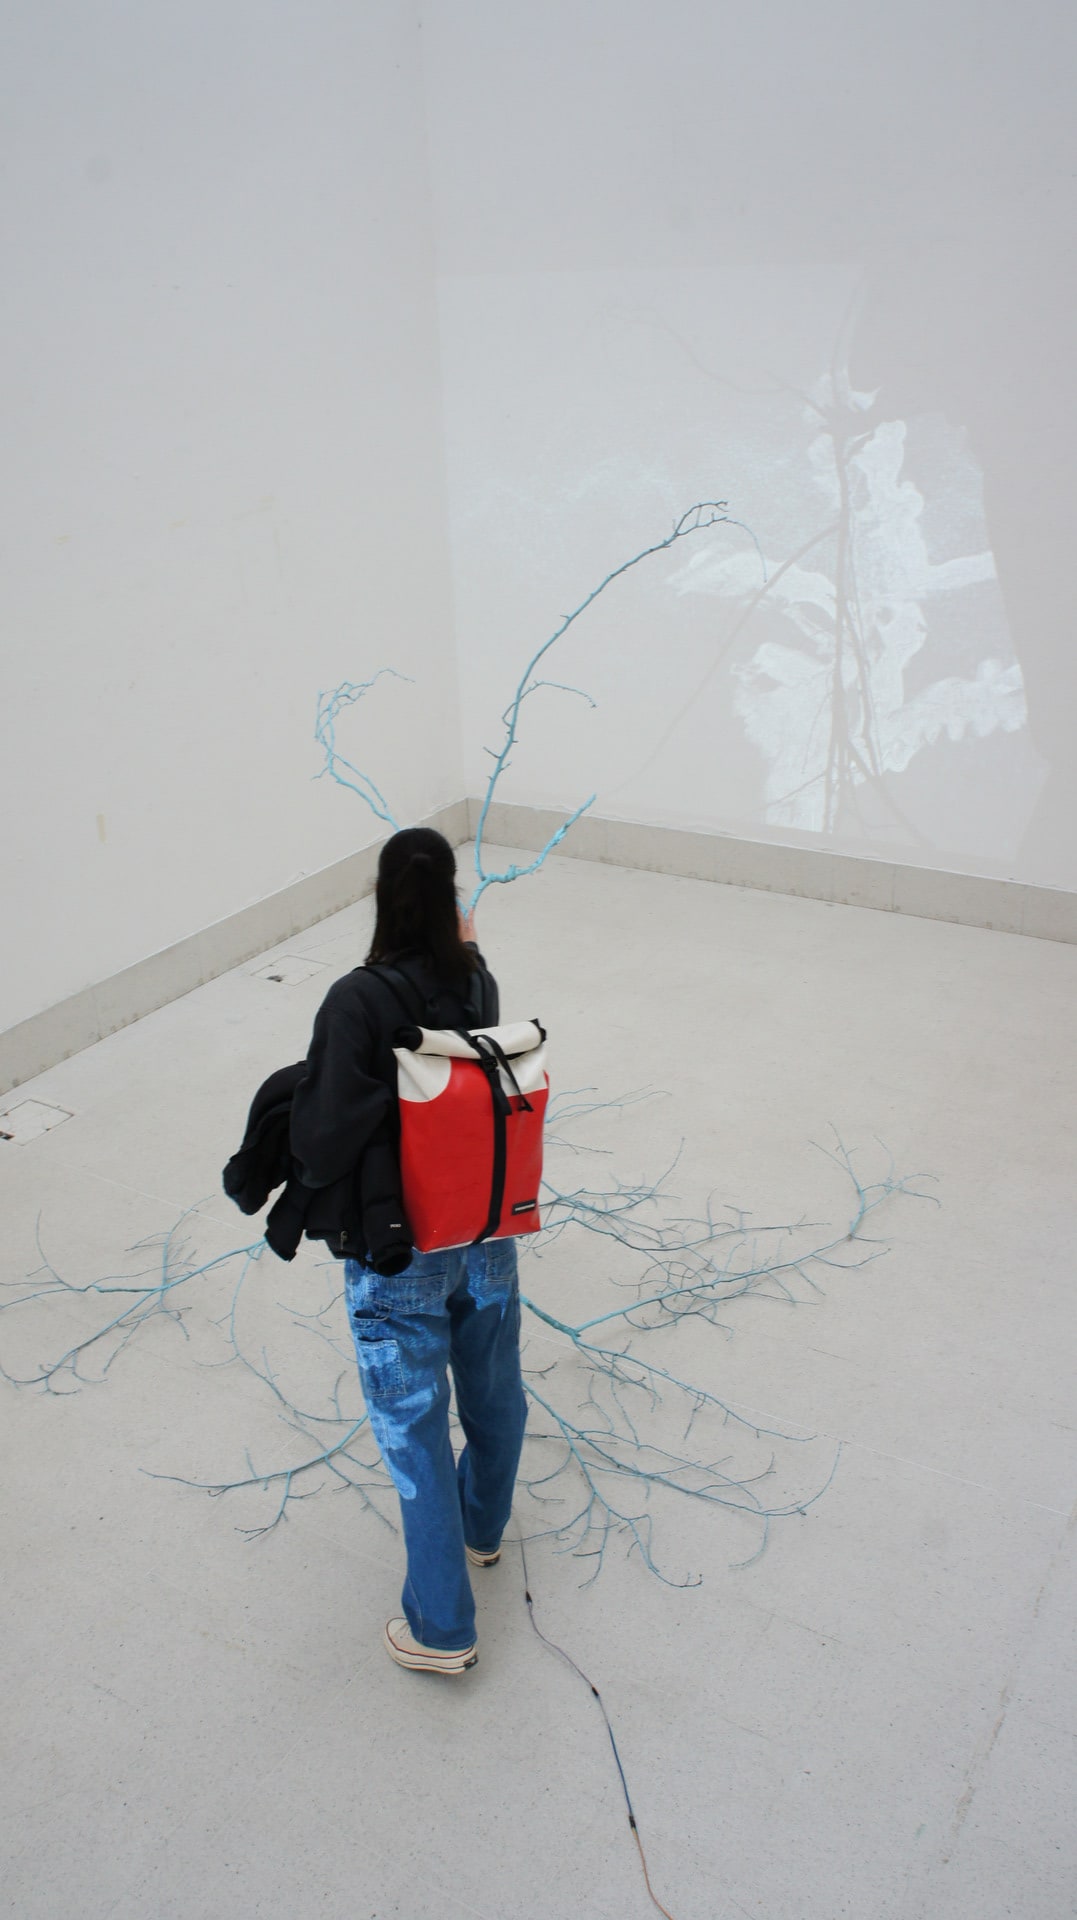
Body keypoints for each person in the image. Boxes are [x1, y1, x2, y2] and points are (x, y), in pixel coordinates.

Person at [289, 827, 528, 1675]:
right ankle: (483, 1531)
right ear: (452, 900)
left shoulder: (356, 999)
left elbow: (320, 1146)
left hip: (400, 1251)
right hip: (486, 1229)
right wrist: (471, 949)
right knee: (495, 1388)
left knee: (414, 1430)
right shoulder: (478, 980)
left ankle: (441, 1630)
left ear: (383, 899)